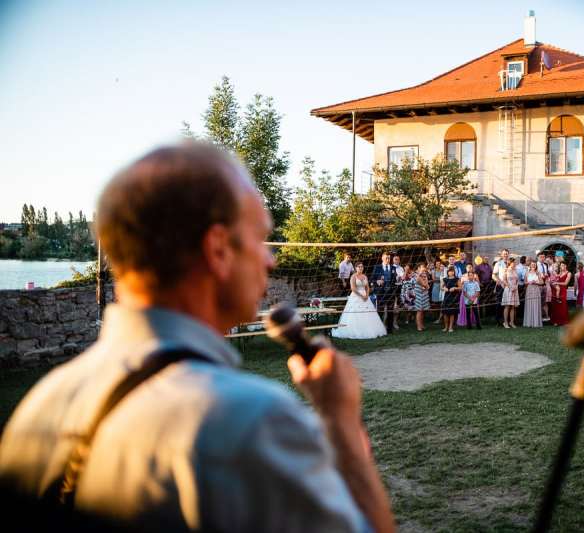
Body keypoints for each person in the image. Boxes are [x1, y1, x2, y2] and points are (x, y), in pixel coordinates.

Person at [0, 143, 394, 532]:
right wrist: (340, 421)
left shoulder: (35, 411)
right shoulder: (253, 421)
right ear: (219, 249)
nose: (270, 259)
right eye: (259, 239)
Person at [334, 262, 388, 340]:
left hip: (365, 297)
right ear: (356, 268)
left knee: (368, 313)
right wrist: (361, 295)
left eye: (362, 267)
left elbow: (367, 287)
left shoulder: (365, 276)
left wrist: (366, 295)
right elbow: (353, 288)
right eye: (359, 267)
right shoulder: (353, 276)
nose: (360, 268)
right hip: (356, 296)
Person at [371, 252, 396, 334]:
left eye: (389, 258)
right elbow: (371, 279)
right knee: (380, 311)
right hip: (380, 293)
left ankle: (389, 330)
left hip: (390, 293)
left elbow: (394, 280)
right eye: (386, 258)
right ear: (382, 258)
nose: (388, 259)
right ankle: (378, 329)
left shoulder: (393, 268)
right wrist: (377, 281)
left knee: (390, 311)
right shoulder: (377, 267)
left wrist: (398, 280)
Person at [549, 262, 572, 326]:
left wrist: (557, 283)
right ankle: (555, 321)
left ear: (566, 266)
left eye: (563, 265)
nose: (562, 267)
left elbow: (565, 283)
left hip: (563, 290)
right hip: (556, 290)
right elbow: (554, 278)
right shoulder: (559, 273)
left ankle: (564, 321)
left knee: (563, 305)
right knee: (556, 306)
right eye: (561, 265)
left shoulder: (569, 273)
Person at [492, 249, 510, 325]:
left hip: (510, 286)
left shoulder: (511, 263)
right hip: (501, 286)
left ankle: (507, 320)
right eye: (504, 254)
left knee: (509, 303)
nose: (505, 255)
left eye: (506, 253)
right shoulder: (498, 264)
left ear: (508, 254)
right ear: (501, 255)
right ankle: (498, 320)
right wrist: (499, 281)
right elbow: (493, 275)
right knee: (499, 303)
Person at [501, 258, 520, 328]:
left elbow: (517, 280)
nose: (515, 264)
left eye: (515, 262)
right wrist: (510, 287)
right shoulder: (506, 270)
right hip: (508, 289)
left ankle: (511, 322)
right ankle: (505, 322)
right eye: (514, 262)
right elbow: (504, 280)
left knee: (513, 306)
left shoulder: (515, 270)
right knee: (507, 306)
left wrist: (516, 286)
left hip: (515, 289)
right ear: (510, 262)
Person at [533, 251, 551, 321]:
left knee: (544, 301)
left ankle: (545, 317)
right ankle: (538, 317)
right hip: (538, 285)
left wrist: (546, 276)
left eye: (544, 257)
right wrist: (541, 277)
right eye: (541, 257)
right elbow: (533, 274)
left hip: (545, 285)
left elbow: (547, 274)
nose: (542, 258)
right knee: (538, 301)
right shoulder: (535, 264)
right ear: (538, 257)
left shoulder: (545, 265)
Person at [441, 266, 460, 333]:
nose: (451, 272)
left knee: (452, 313)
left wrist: (455, 288)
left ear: (454, 272)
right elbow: (441, 287)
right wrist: (444, 288)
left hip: (454, 297)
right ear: (447, 272)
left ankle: (450, 327)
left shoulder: (457, 279)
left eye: (452, 271)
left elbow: (460, 287)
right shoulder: (445, 279)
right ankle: (446, 327)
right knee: (445, 312)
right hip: (446, 297)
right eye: (449, 271)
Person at [413, 265, 430, 332]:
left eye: (424, 267)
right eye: (422, 267)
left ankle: (422, 325)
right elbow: (423, 284)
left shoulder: (425, 275)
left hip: (424, 294)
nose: (424, 269)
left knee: (422, 310)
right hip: (418, 294)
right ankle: (418, 326)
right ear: (419, 268)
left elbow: (427, 285)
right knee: (419, 311)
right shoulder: (416, 275)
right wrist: (425, 285)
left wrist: (426, 285)